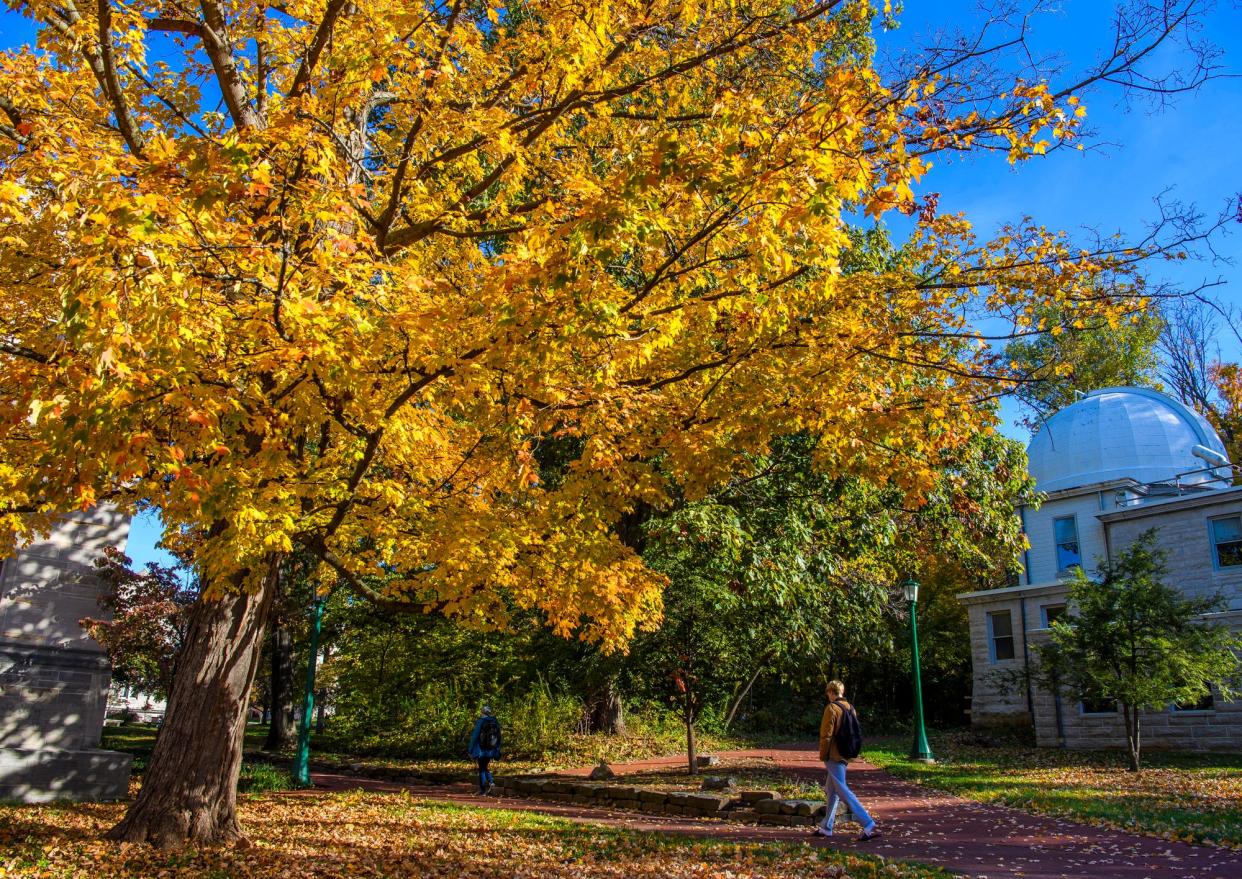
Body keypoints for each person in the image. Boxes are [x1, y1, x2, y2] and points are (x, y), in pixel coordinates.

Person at [814, 680, 879, 841]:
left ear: (830, 692)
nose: (827, 695)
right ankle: (826, 827)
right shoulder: (850, 708)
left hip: (833, 754)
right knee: (832, 790)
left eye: (828, 693)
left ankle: (867, 822)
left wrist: (823, 754)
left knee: (842, 789)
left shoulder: (831, 708)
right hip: (846, 752)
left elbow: (826, 735)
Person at [468, 705, 502, 795]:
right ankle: (490, 783)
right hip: (491, 749)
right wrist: (497, 749)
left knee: (482, 769)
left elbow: (475, 736)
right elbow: (499, 737)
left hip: (481, 749)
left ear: (482, 712)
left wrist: (470, 749)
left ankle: (484, 788)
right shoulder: (495, 722)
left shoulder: (481, 721)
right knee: (484, 767)